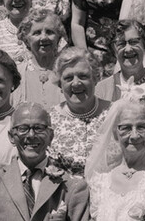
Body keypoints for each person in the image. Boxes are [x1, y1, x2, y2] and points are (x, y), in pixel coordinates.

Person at [48, 48, 111, 176]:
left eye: (83, 76)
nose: (76, 83)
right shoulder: (49, 120)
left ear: (95, 78)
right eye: (68, 78)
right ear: (60, 84)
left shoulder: (114, 113)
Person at [11, 8, 66, 109]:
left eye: (49, 32)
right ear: (26, 39)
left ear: (58, 37)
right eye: (37, 33)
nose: (44, 37)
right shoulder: (16, 73)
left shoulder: (67, 70)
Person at [95, 20, 145, 103]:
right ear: (113, 50)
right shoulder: (102, 89)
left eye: (134, 42)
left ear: (144, 44)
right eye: (121, 44)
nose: (128, 49)